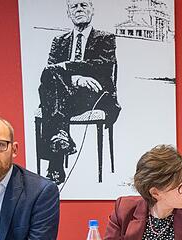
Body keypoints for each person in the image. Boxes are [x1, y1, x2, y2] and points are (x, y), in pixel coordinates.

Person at [39, 0, 121, 184]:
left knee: (51, 96)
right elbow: (50, 71)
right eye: (74, 6)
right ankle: (61, 137)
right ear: (68, 13)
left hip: (96, 96)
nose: (79, 10)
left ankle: (55, 167)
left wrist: (67, 68)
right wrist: (75, 79)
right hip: (66, 95)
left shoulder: (105, 38)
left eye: (83, 5)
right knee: (50, 81)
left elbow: (101, 68)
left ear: (92, 10)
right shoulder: (59, 41)